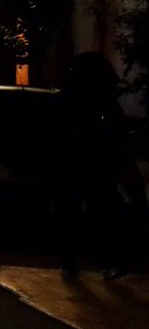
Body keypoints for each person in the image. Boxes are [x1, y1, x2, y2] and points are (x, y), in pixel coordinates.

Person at [56, 51, 147, 280]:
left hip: (85, 164)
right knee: (97, 210)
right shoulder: (95, 100)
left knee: (86, 211)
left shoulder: (75, 98)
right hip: (91, 164)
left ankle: (80, 261)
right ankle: (98, 260)